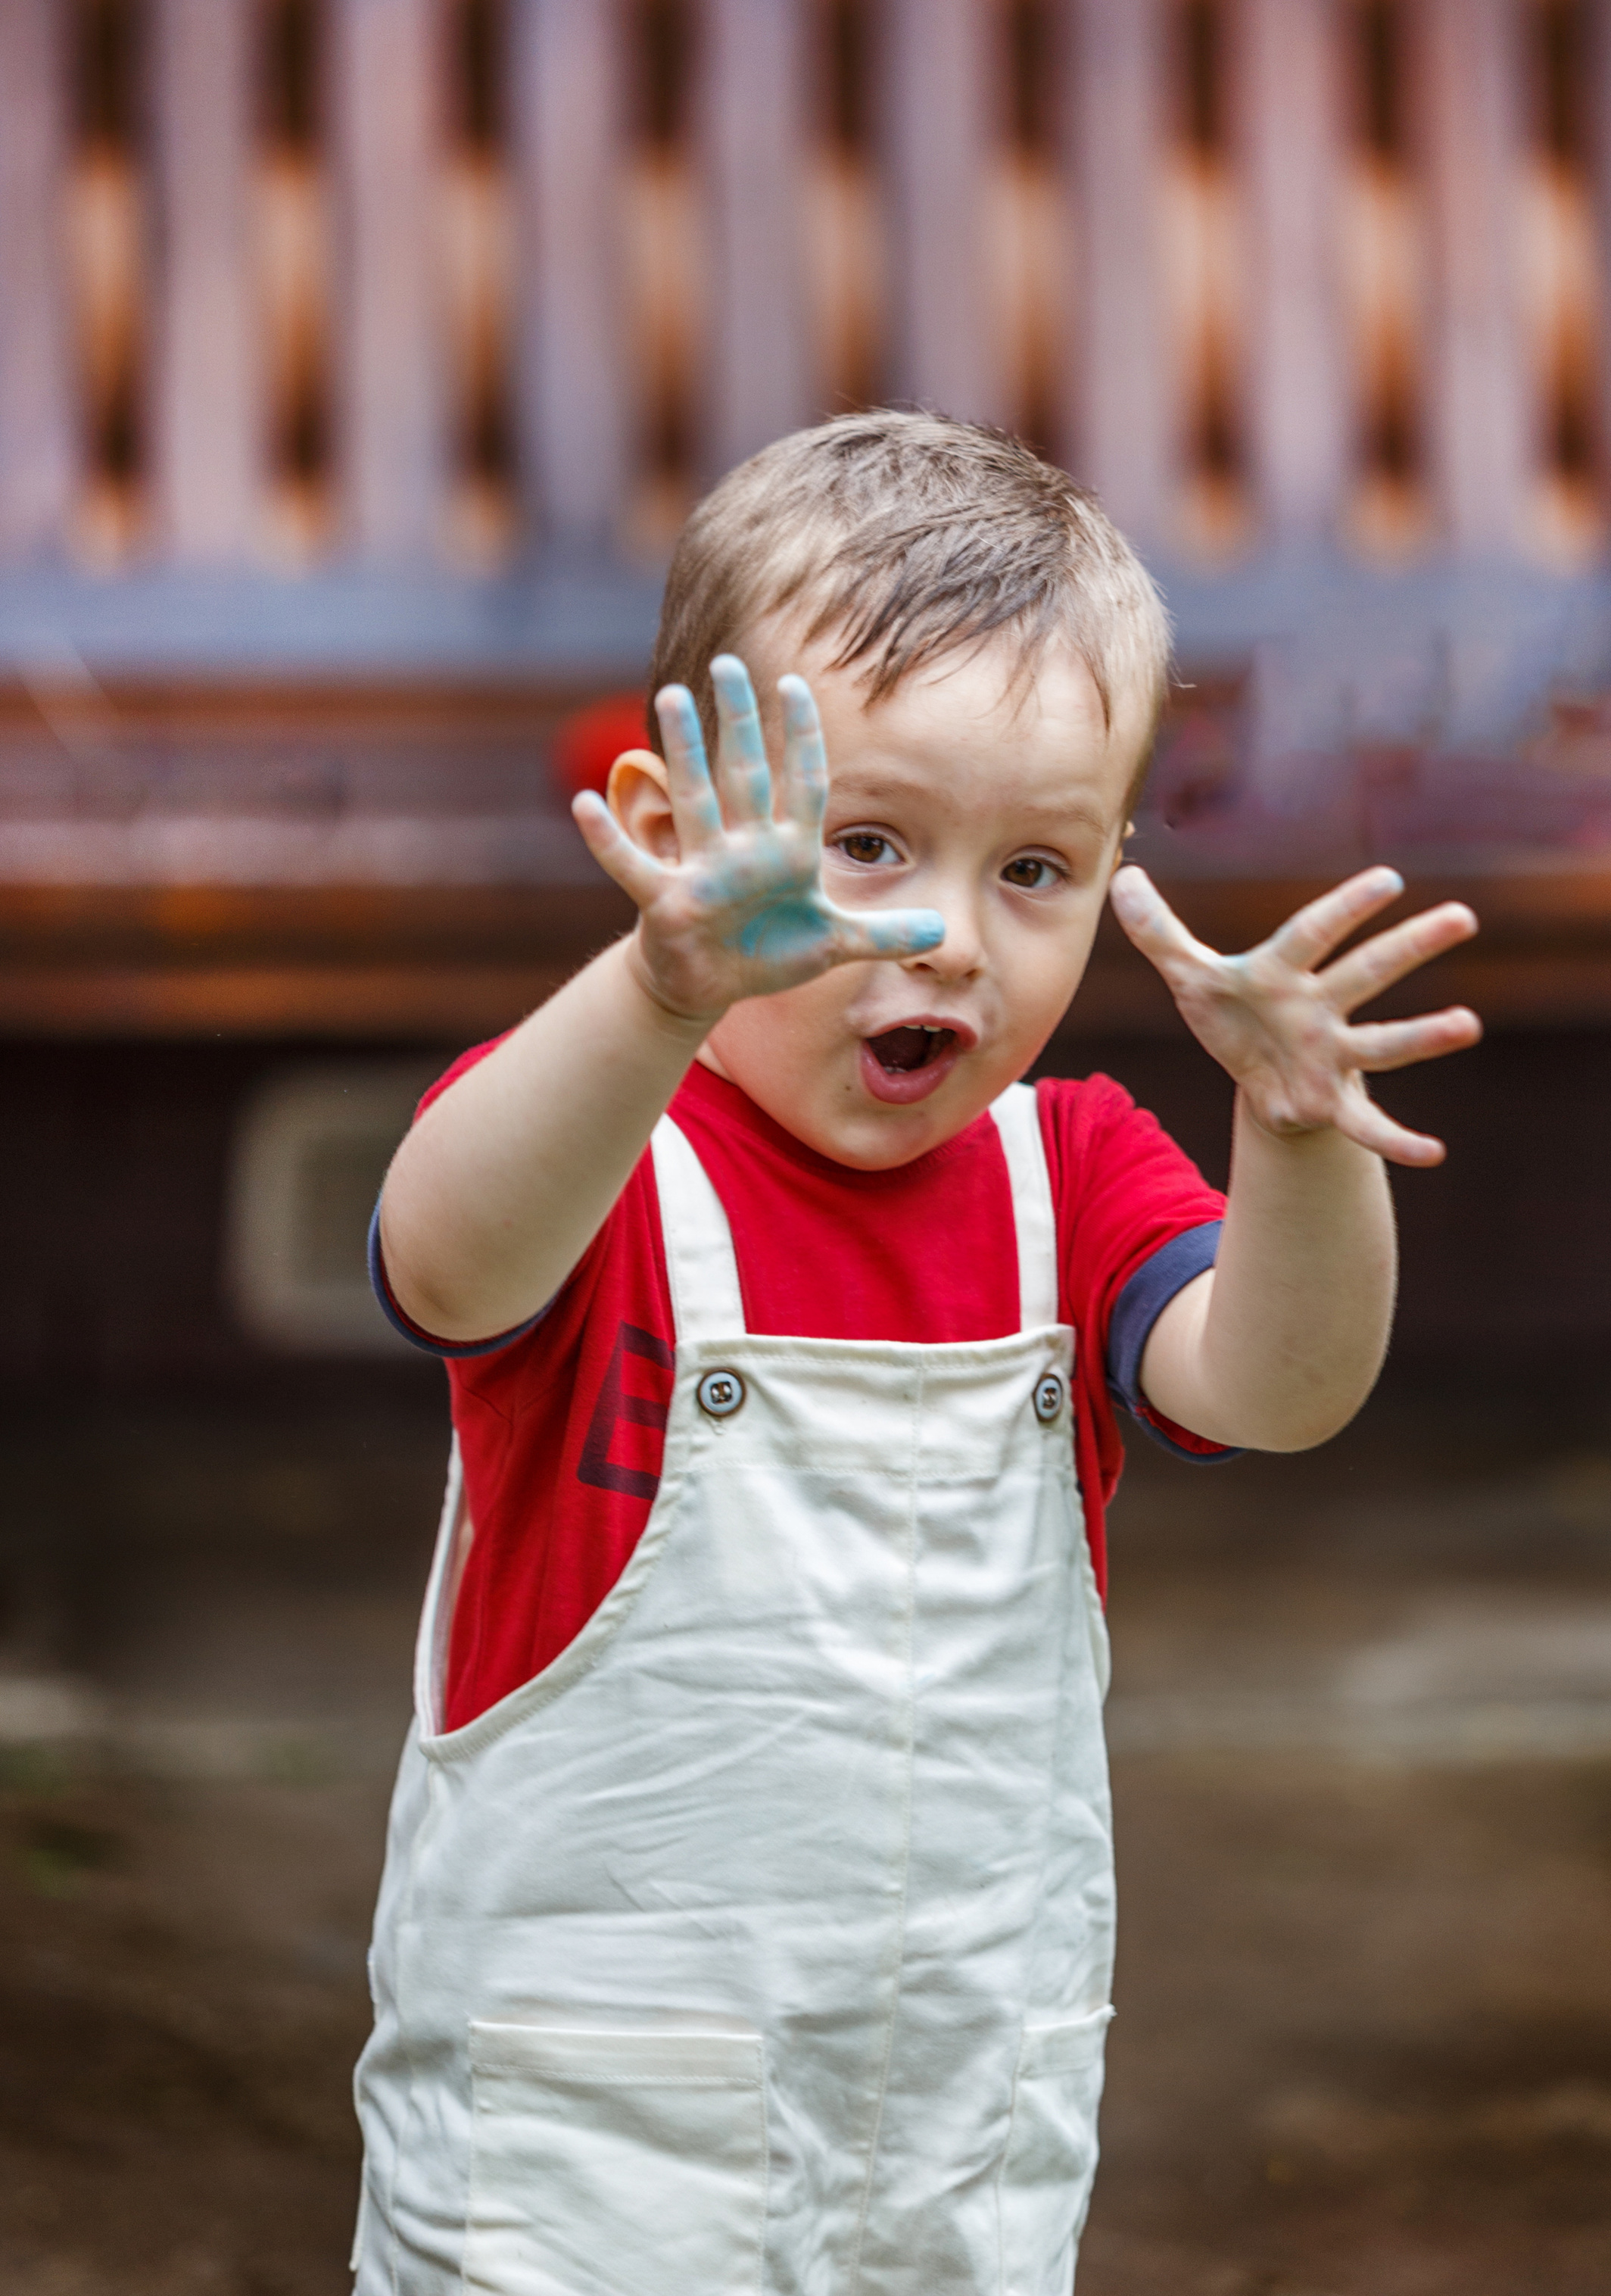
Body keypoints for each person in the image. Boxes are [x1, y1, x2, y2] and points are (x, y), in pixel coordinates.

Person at [351, 413, 1480, 2296]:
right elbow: (447, 1268)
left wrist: (1293, 1141)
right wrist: (653, 987)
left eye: (1033, 870)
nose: (948, 937)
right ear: (668, 832)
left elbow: (1279, 1389)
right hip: (585, 2147)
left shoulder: (1074, 1174)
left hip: (947, 2129)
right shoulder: (598, 1147)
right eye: (864, 843)